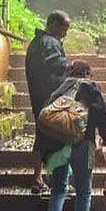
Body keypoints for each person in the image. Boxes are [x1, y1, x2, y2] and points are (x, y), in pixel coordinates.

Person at [39, 60, 106, 211]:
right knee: (83, 193)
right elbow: (101, 114)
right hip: (83, 143)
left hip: (57, 146)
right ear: (88, 73)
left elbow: (47, 115)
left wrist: (45, 151)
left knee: (58, 189)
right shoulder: (90, 87)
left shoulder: (60, 87)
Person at [25, 10, 71, 195]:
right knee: (57, 137)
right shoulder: (50, 43)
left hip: (38, 97)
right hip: (50, 98)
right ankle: (57, 182)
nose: (65, 33)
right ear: (52, 23)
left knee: (41, 135)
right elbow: (57, 67)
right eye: (63, 28)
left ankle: (38, 179)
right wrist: (72, 70)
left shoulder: (36, 42)